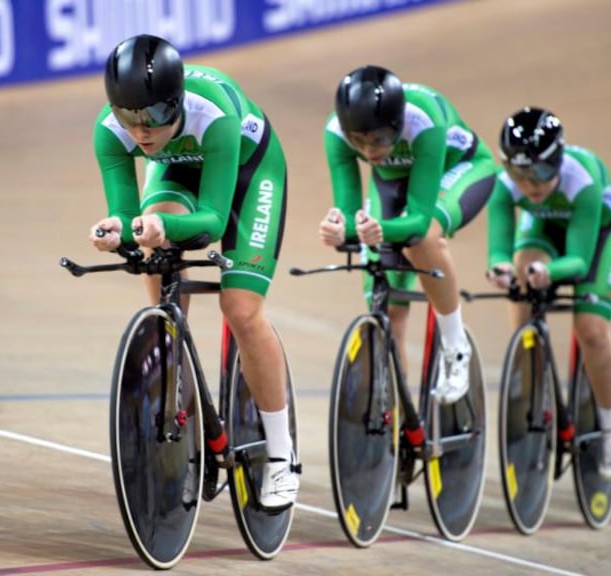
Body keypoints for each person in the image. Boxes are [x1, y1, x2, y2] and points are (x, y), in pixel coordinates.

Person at [88, 34, 298, 511]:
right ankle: (188, 431)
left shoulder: (215, 115)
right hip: (178, 175)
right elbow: (126, 214)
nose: (141, 132)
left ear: (177, 103)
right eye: (129, 118)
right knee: (156, 266)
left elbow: (213, 222)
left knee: (241, 310)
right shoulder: (110, 130)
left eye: (155, 118)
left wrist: (163, 226)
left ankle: (282, 457)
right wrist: (115, 229)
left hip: (247, 174)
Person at [318, 65, 498, 405]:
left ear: (398, 124)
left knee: (424, 239)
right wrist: (339, 229)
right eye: (359, 141)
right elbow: (350, 212)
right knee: (387, 305)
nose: (369, 151)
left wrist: (377, 228)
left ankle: (455, 346)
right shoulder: (337, 133)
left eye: (379, 139)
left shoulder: (424, 121)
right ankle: (397, 422)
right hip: (392, 180)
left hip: (458, 169)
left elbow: (415, 223)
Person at [484, 106, 611, 479]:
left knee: (591, 330)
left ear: (559, 161)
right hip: (547, 227)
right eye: (520, 174)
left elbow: (579, 262)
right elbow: (499, 249)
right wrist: (502, 267)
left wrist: (549, 273)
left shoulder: (582, 181)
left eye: (541, 173)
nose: (530, 186)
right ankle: (530, 381)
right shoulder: (504, 186)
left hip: (599, 238)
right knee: (521, 273)